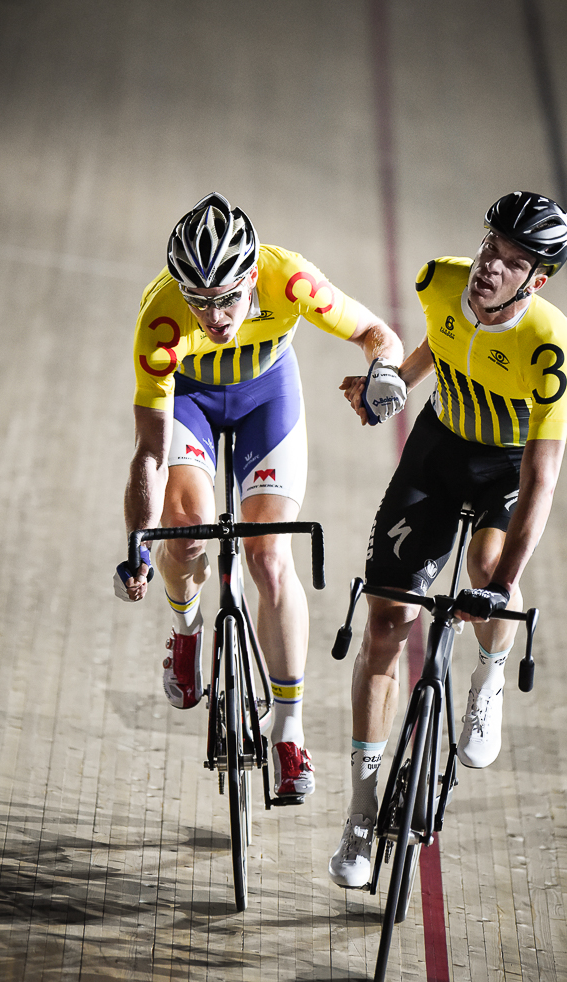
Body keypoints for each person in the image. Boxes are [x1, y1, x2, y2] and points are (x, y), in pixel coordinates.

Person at [114, 192, 405, 801]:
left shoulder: (291, 278)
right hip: (189, 401)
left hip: (265, 396)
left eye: (226, 299)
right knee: (186, 531)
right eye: (200, 301)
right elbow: (148, 452)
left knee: (271, 556)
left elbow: (379, 333)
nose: (215, 317)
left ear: (252, 278)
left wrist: (382, 372)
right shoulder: (162, 322)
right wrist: (137, 547)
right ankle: (187, 628)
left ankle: (290, 729)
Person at [329, 191, 567, 887]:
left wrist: (498, 590)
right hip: (436, 454)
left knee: (485, 564)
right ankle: (358, 808)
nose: (488, 269)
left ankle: (488, 677)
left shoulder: (551, 344)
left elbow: (541, 474)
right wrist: (393, 383)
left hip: (504, 468)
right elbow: (439, 342)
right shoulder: (440, 279)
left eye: (511, 262)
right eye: (488, 249)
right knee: (385, 621)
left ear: (538, 279)